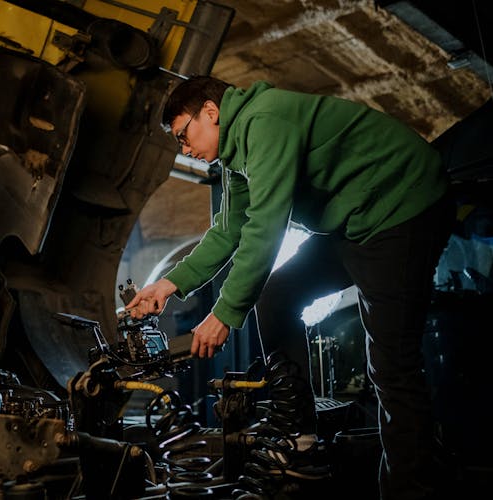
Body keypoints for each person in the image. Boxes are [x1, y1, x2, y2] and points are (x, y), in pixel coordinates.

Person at [126, 76, 454, 500]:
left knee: (392, 365)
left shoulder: (266, 121)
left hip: (402, 206)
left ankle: (411, 489)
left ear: (211, 112)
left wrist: (224, 313)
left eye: (183, 135)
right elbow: (230, 230)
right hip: (354, 219)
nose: (184, 149)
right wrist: (168, 284)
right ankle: (299, 439)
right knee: (276, 293)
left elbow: (266, 225)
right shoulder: (236, 153)